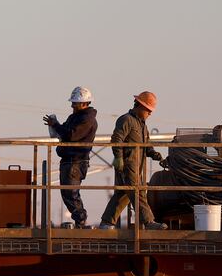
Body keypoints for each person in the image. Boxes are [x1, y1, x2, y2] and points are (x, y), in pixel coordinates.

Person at [99, 91, 168, 230]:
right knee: (137, 192)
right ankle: (149, 222)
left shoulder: (143, 126)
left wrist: (155, 155)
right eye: (148, 110)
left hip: (138, 166)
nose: (150, 113)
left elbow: (146, 146)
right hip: (127, 164)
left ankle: (106, 223)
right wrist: (118, 157)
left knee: (123, 194)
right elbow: (117, 139)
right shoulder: (126, 120)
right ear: (140, 106)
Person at [43, 86, 98, 228]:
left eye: (75, 103)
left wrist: (55, 125)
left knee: (70, 192)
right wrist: (55, 126)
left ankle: (80, 218)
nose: (72, 105)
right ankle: (80, 219)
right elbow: (66, 132)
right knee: (68, 192)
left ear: (85, 103)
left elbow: (71, 135)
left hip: (76, 160)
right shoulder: (75, 117)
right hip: (70, 160)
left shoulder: (87, 120)